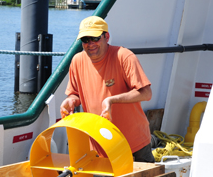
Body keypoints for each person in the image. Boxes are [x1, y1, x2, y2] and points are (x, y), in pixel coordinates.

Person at [60, 16, 155, 163]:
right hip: (100, 144)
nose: (90, 44)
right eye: (85, 40)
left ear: (107, 37)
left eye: (95, 38)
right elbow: (74, 93)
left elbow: (146, 93)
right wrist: (70, 100)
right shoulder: (77, 61)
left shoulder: (124, 56)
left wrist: (112, 100)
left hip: (134, 143)